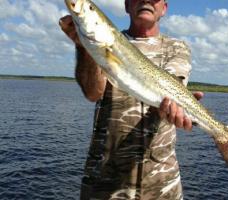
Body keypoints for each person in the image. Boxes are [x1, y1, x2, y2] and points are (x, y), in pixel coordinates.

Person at [59, 0, 203, 199]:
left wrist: (173, 107)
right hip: (105, 185)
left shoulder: (176, 48)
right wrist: (84, 47)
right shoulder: (106, 43)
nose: (146, 0)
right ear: (126, 5)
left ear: (164, 8)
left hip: (162, 185)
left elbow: (173, 88)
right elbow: (93, 93)